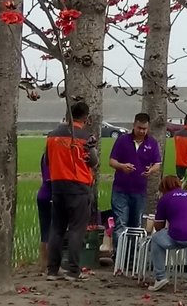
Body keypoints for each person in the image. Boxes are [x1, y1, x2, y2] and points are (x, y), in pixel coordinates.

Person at [45, 100, 98, 281]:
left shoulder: (52, 135)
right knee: (76, 229)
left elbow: (47, 161)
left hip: (57, 185)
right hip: (79, 186)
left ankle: (52, 270)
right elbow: (93, 161)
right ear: (86, 117)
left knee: (57, 228)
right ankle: (73, 270)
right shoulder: (85, 136)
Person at [110, 112, 162, 254]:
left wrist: (151, 170)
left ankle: (131, 258)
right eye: (139, 128)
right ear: (134, 125)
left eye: (145, 129)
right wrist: (122, 166)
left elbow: (157, 163)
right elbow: (112, 161)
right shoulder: (122, 140)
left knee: (136, 225)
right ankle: (119, 255)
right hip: (121, 189)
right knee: (121, 223)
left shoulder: (152, 143)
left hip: (139, 190)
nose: (142, 131)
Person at [149, 176, 187, 292]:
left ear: (163, 187)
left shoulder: (165, 199)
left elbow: (158, 227)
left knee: (156, 238)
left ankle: (160, 277)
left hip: (180, 236)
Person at [36, 152, 52, 271]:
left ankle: (43, 264)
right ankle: (49, 264)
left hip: (43, 194)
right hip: (50, 195)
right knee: (52, 231)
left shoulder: (45, 155)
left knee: (45, 232)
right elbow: (51, 179)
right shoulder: (52, 156)